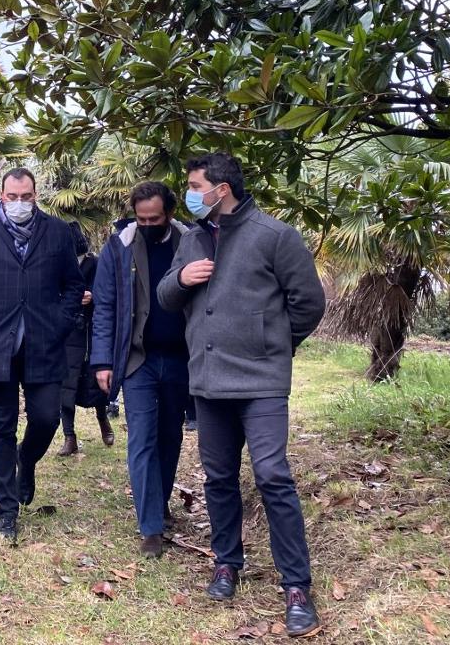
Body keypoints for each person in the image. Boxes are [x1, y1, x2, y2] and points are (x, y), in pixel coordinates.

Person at [158, 153, 326, 638]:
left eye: (194, 185)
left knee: (273, 475)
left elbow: (308, 303)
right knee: (218, 477)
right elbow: (169, 297)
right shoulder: (191, 239)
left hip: (262, 382)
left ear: (222, 188)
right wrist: (180, 279)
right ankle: (227, 563)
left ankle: (297, 586)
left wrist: (272, 345)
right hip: (208, 380)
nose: (189, 193)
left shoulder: (275, 236)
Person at [0, 167, 84, 544]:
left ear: (35, 195)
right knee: (0, 426)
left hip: (45, 342)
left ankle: (27, 460)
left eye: (27, 197)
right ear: (2, 196)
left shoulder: (57, 232)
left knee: (46, 418)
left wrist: (60, 323)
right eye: (13, 197)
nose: (20, 203)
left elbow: (74, 286)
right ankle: (6, 509)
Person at [89, 182, 190, 558]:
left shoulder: (190, 242)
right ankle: (150, 527)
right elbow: (104, 307)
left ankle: (159, 502)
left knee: (170, 436)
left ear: (170, 213)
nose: (147, 224)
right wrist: (101, 360)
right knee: (142, 439)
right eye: (140, 218)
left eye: (155, 218)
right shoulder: (119, 247)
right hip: (137, 360)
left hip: (181, 359)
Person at [57, 221, 114, 457]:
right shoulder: (57, 266)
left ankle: (103, 420)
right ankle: (69, 437)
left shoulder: (97, 263)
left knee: (95, 379)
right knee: (65, 385)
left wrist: (93, 296)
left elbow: (108, 293)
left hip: (91, 332)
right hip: (67, 332)